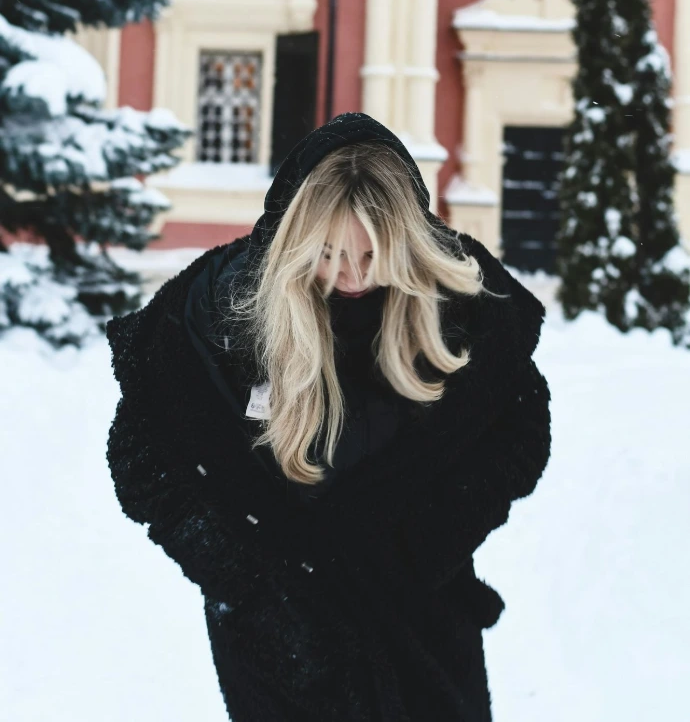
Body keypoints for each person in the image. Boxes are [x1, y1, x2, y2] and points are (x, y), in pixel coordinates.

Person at [106, 112, 552, 722]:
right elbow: (142, 460)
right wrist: (251, 588)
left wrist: (427, 545)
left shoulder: (460, 308)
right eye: (329, 253)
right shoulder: (223, 317)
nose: (353, 275)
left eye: (374, 252)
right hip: (282, 640)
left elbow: (519, 430)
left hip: (418, 621)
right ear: (295, 240)